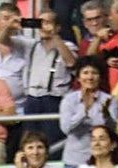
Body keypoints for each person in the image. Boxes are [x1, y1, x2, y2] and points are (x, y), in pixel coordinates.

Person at [23, 11, 78, 152]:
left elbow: (71, 63)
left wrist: (55, 37)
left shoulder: (67, 45)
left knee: (53, 142)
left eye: (47, 22)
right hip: (32, 99)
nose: (43, 26)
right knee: (29, 141)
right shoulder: (32, 46)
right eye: (40, 22)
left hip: (54, 99)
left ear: (57, 26)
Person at [60, 55, 118, 168]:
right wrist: (84, 110)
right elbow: (66, 128)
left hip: (102, 162)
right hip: (74, 162)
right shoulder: (69, 100)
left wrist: (106, 117)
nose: (90, 77)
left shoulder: (109, 100)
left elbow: (114, 130)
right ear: (78, 77)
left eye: (94, 73)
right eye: (85, 73)